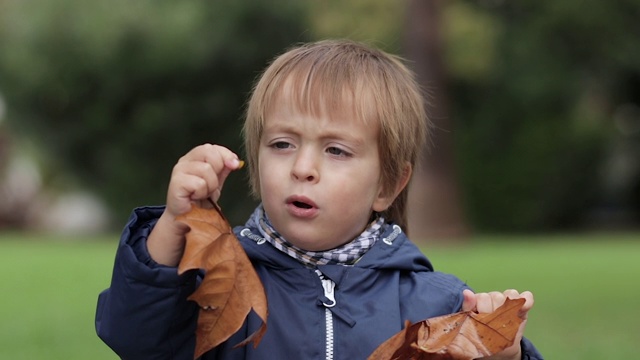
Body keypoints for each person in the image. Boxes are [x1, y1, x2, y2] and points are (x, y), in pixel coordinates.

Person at [96, 39, 543, 360]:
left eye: (336, 150)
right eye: (282, 144)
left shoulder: (436, 303)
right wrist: (175, 225)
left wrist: (502, 351)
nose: (302, 167)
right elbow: (136, 339)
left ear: (388, 184)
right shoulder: (217, 281)